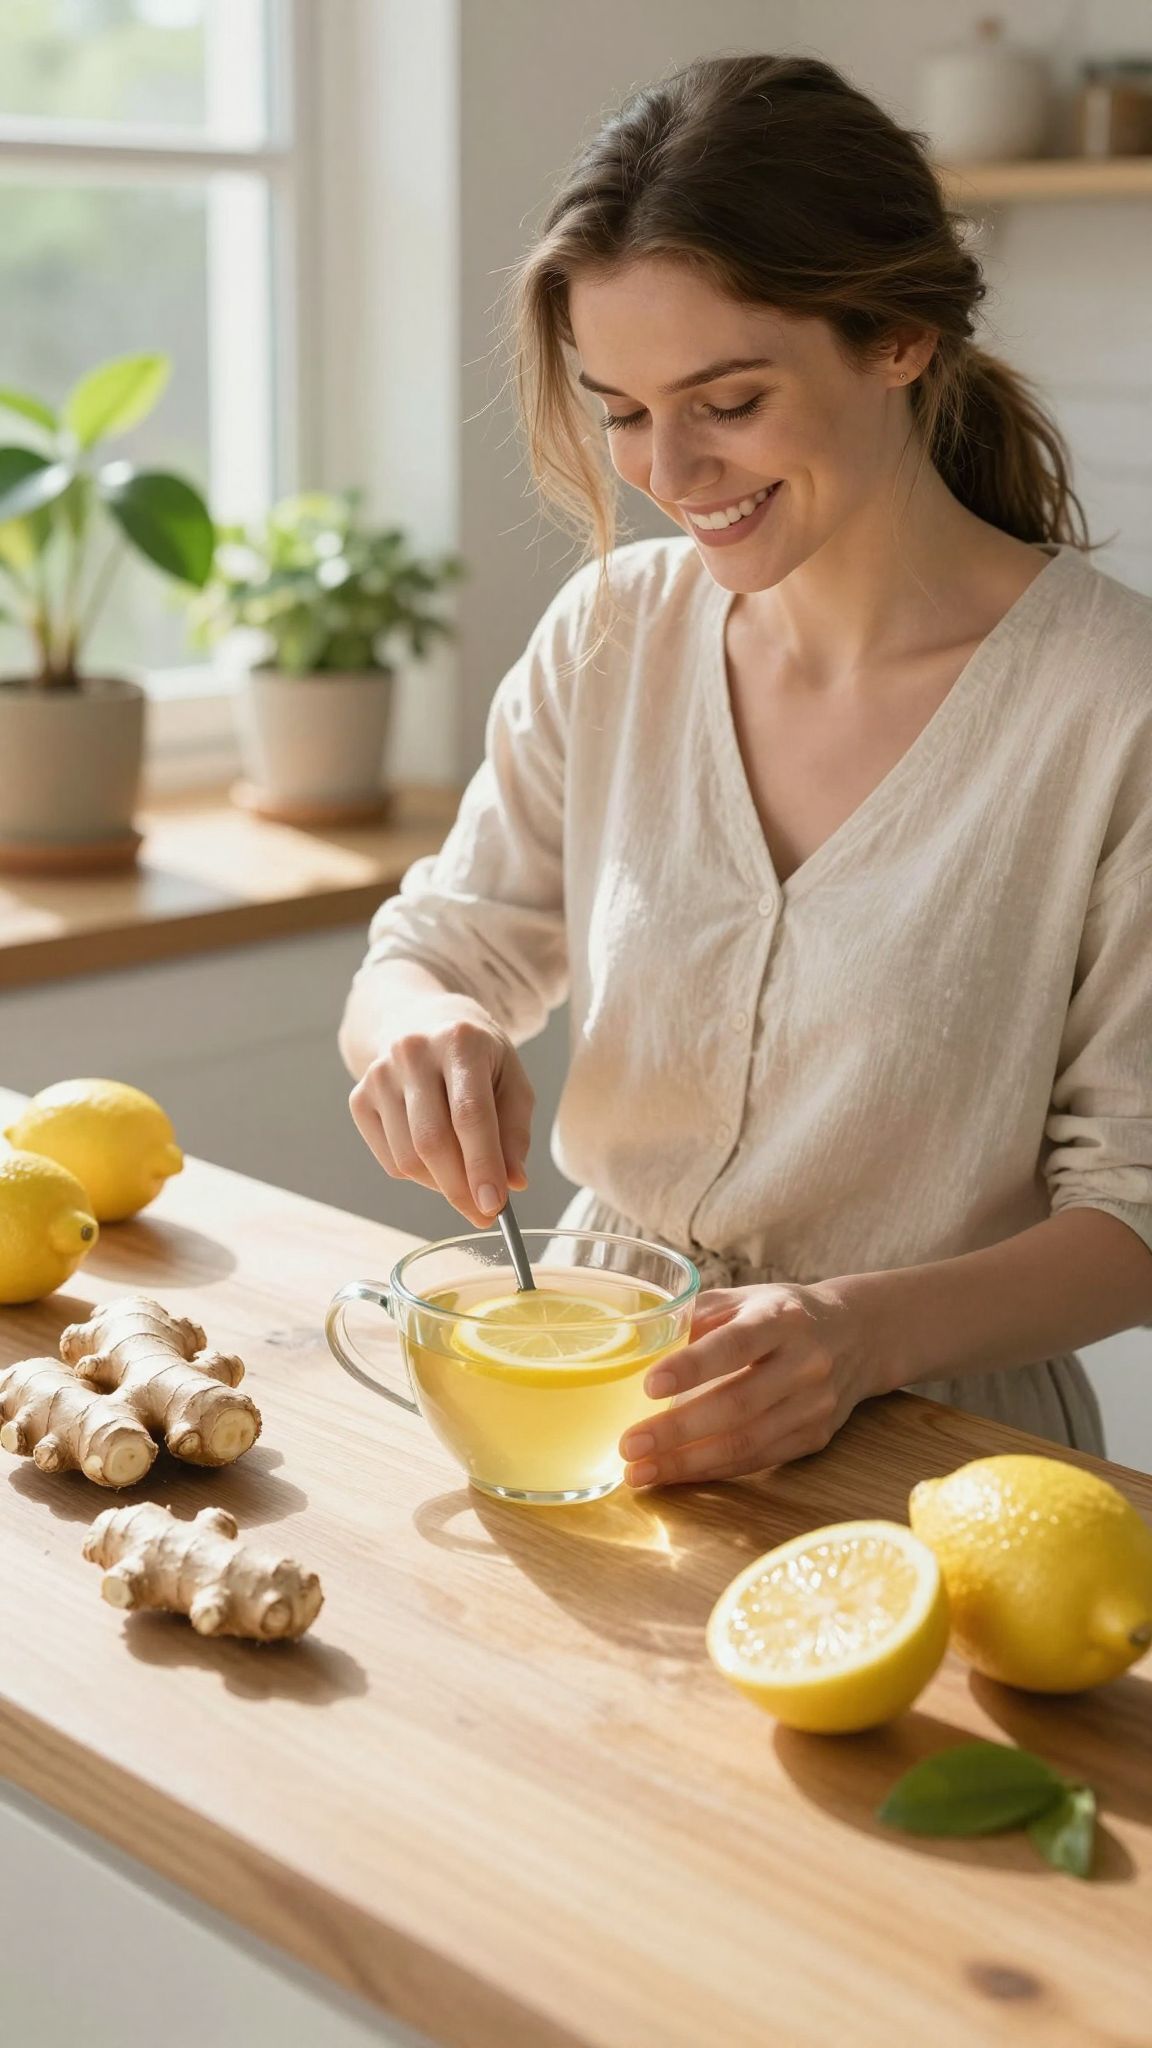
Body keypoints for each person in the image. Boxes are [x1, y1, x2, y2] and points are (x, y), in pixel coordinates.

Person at [339, 51, 1152, 1488]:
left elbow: (1135, 1212)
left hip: (946, 1459)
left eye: (727, 401)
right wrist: (419, 1026)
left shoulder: (1114, 706)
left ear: (897, 336)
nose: (670, 472)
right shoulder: (609, 634)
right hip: (601, 1405)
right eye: (622, 411)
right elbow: (434, 950)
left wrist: (856, 1334)